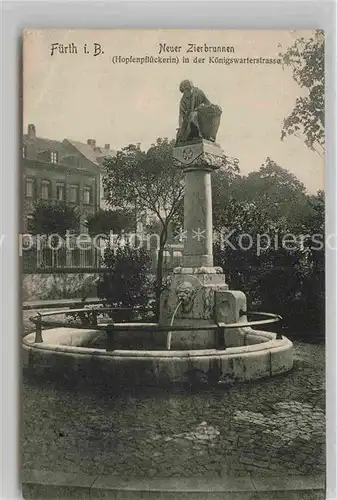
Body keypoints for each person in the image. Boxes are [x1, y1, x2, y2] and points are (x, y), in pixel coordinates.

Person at [176, 80, 211, 144]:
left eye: (187, 91)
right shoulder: (183, 100)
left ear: (191, 88)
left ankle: (198, 135)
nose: (185, 93)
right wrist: (180, 126)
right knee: (179, 135)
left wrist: (201, 107)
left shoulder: (199, 93)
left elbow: (208, 104)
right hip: (189, 119)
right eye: (184, 92)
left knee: (193, 115)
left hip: (202, 116)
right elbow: (181, 115)